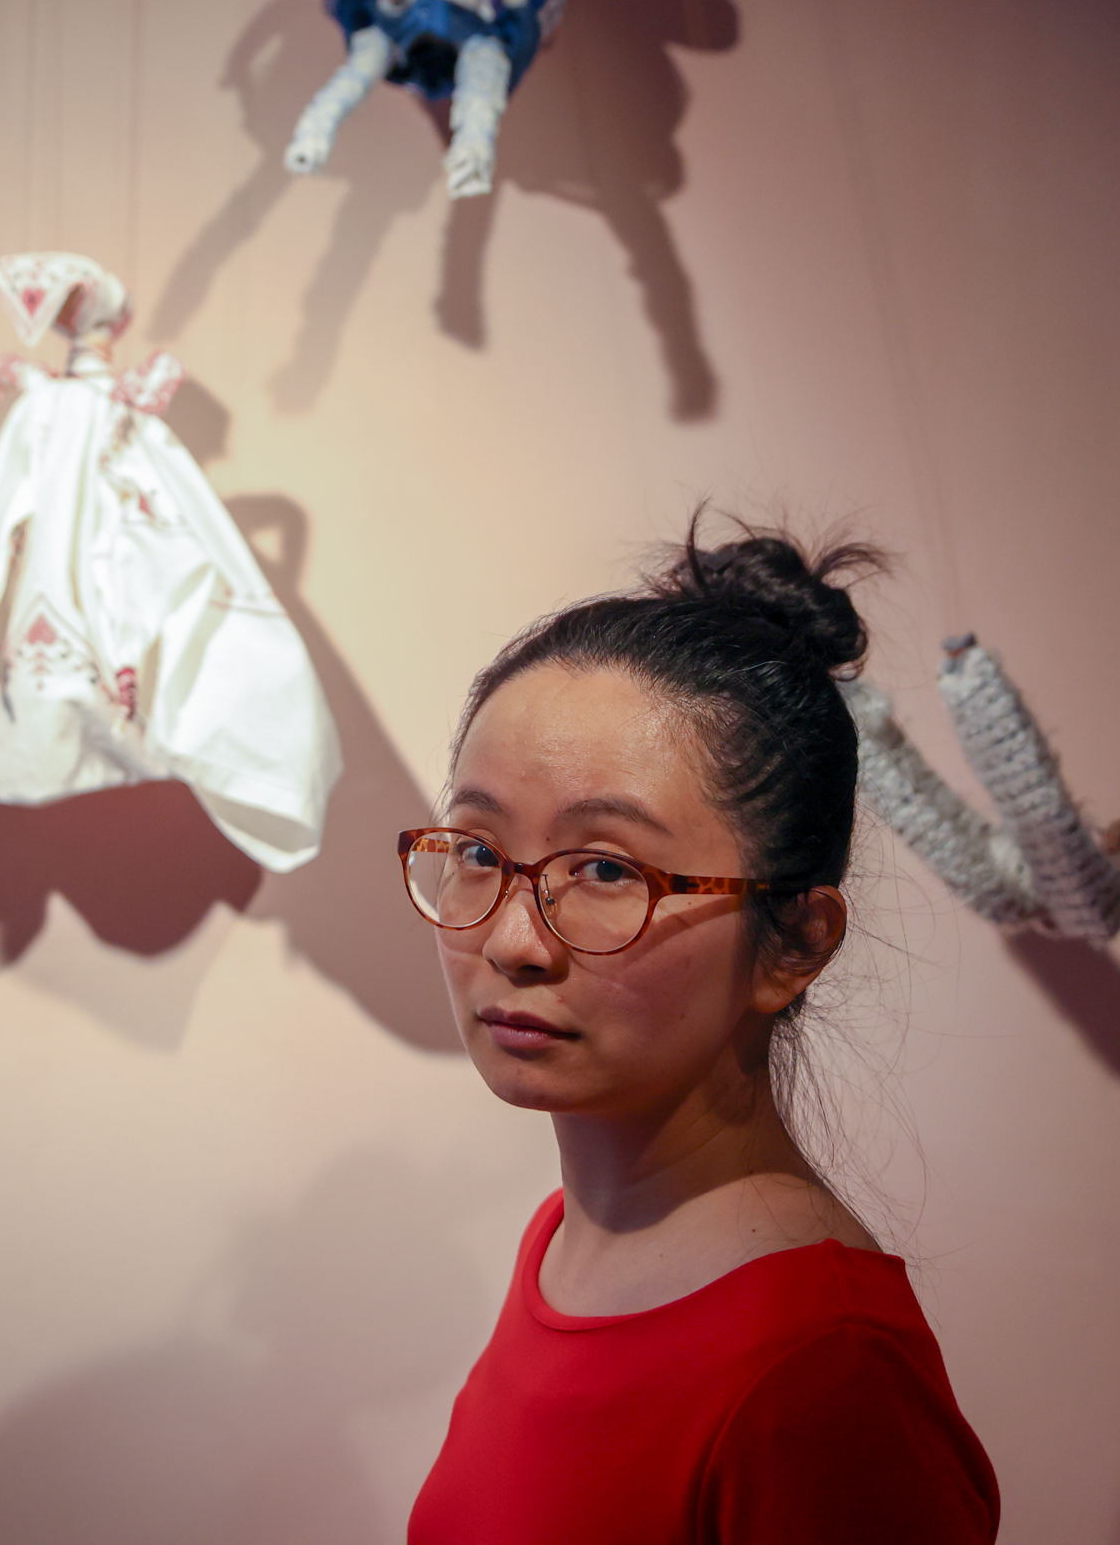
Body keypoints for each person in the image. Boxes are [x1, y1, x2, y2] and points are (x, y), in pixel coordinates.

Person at [401, 525, 1000, 1543]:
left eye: (606, 869)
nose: (511, 939)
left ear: (793, 942)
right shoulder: (566, 1239)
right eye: (478, 850)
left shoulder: (820, 1371)